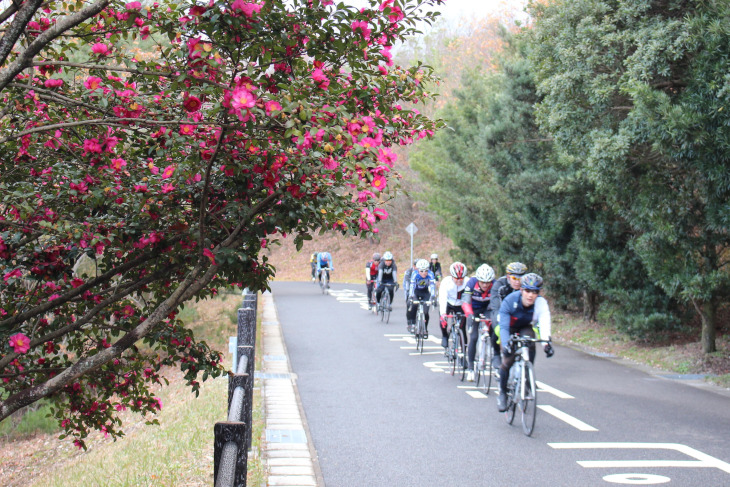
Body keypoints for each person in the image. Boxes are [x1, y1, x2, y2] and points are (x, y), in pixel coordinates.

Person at [496, 273, 554, 412]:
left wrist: (546, 344)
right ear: (521, 290)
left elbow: (544, 323)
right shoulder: (510, 301)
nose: (530, 295)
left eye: (534, 292)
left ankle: (527, 373)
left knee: (530, 340)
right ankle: (502, 393)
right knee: (507, 361)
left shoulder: (541, 303)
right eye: (527, 291)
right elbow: (503, 327)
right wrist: (505, 345)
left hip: (525, 326)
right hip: (509, 327)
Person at [487, 262, 527, 366]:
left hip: (518, 315)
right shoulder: (499, 285)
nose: (517, 282)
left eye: (520, 279)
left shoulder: (527, 287)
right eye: (514, 278)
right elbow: (496, 306)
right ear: (508, 276)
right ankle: (496, 354)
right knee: (496, 327)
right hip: (501, 311)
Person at [461, 263, 496, 381]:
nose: (485, 285)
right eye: (483, 282)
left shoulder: (495, 285)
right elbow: (465, 301)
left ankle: (495, 360)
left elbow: (497, 304)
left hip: (488, 308)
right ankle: (470, 368)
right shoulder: (471, 283)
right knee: (474, 337)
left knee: (494, 331)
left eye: (488, 282)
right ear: (478, 280)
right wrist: (469, 315)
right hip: (474, 309)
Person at [438, 262, 469, 348]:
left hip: (461, 305)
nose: (459, 281)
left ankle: (463, 354)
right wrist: (443, 314)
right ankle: (444, 336)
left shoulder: (467, 282)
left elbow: (470, 298)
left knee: (462, 328)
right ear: (452, 276)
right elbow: (442, 298)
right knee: (442, 321)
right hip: (449, 303)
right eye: (456, 278)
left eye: (461, 278)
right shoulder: (446, 282)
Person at [407, 259, 436, 336]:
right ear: (418, 270)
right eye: (422, 271)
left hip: (425, 292)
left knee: (426, 312)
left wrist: (433, 297)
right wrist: (410, 296)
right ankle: (412, 324)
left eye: (426, 271)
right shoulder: (414, 274)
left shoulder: (430, 274)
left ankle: (425, 329)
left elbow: (432, 286)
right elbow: (412, 286)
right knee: (414, 305)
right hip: (416, 292)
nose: (424, 273)